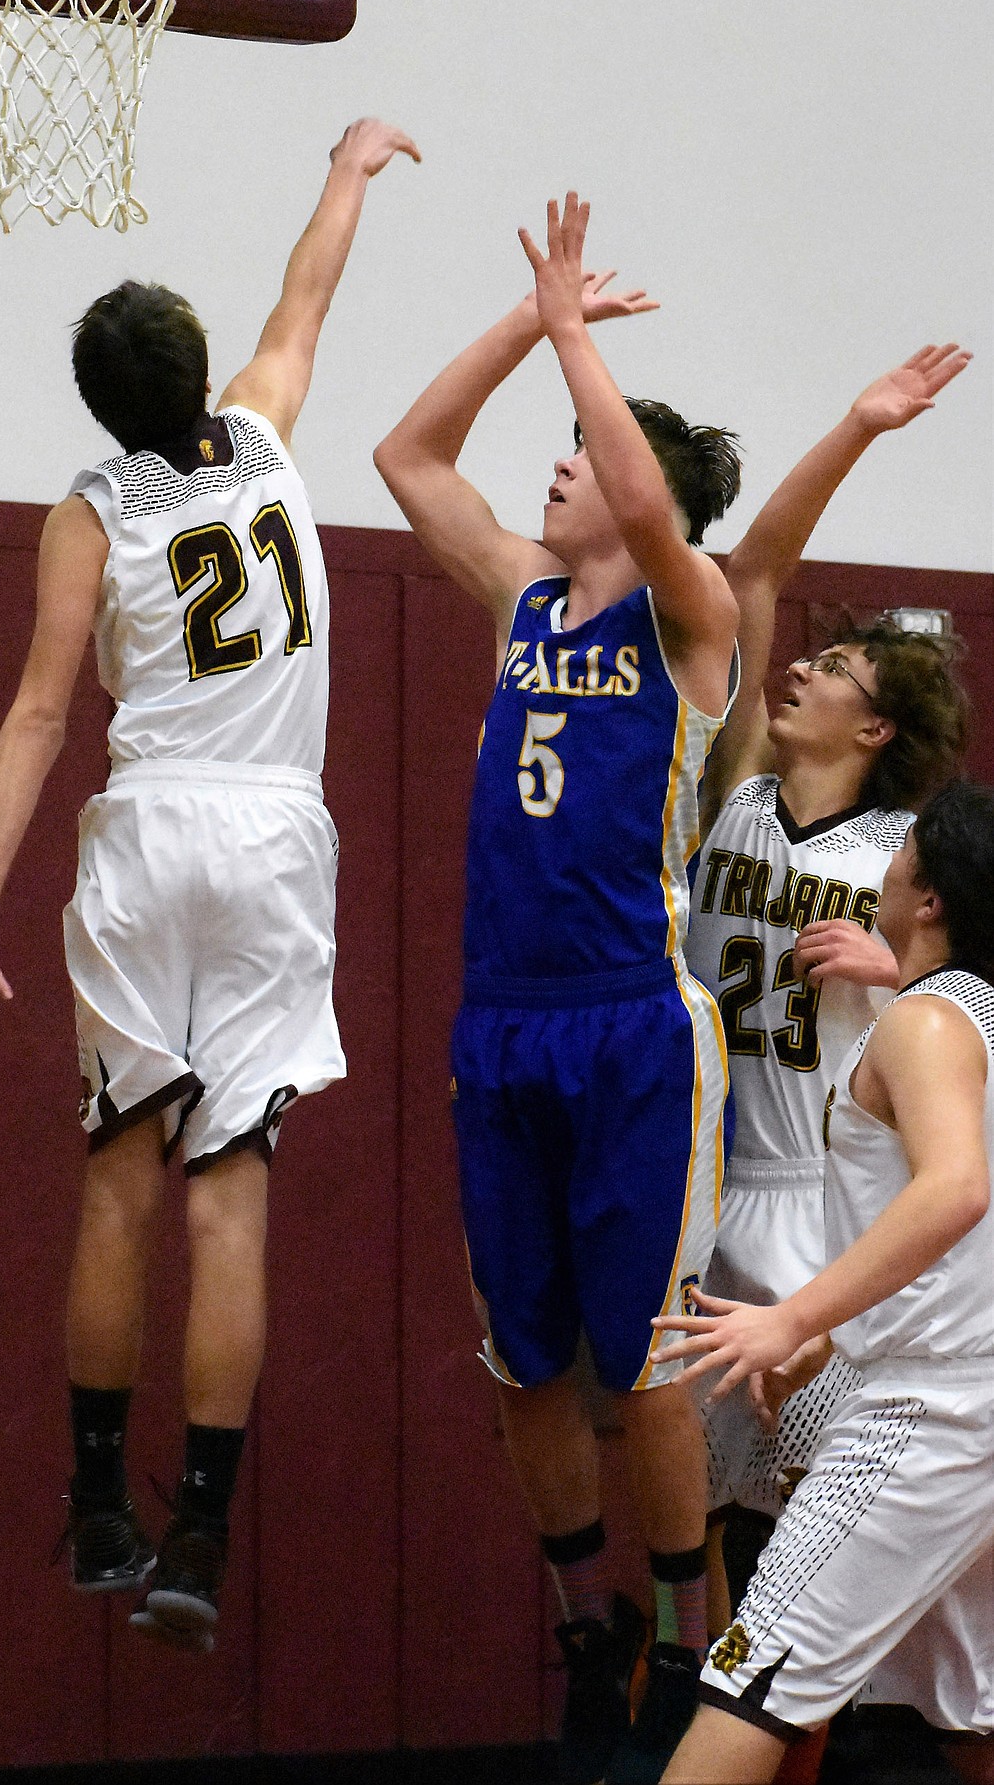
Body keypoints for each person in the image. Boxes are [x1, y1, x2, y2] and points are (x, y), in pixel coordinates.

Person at [0, 117, 419, 1650]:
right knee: (231, 1201)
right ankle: (200, 1527)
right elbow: (305, 297)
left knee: (116, 1186)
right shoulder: (264, 435)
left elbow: (39, 714)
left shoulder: (85, 513)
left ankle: (94, 1509)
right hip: (272, 843)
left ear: (99, 406)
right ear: (197, 376)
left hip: (143, 835)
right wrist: (343, 167)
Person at [375, 194, 742, 1785]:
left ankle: (685, 1636)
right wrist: (531, 321)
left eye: (578, 448)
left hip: (632, 1020)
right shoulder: (525, 592)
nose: (558, 460)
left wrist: (583, 342)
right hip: (500, 1013)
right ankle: (588, 1620)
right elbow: (405, 456)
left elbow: (653, 502)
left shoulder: (689, 617)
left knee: (643, 1347)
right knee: (521, 1350)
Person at [685, 345, 971, 1637]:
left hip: (818, 1211)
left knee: (808, 1546)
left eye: (833, 672)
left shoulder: (903, 868)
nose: (793, 670)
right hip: (705, 1187)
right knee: (703, 1523)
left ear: (873, 733)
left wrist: (914, 965)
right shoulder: (737, 788)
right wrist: (855, 423)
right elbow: (752, 571)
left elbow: (966, 1036)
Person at [655, 778, 994, 1785]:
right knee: (974, 1720)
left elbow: (957, 1194)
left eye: (903, 857)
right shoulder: (977, 1013)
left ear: (927, 896)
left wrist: (790, 1314)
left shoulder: (925, 1024)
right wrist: (827, 1340)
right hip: (968, 1396)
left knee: (749, 1674)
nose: (883, 865)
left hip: (933, 1411)